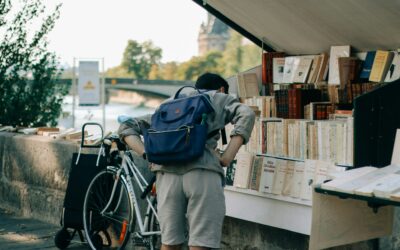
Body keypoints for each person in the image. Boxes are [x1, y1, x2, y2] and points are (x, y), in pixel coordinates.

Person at [118, 72, 255, 250]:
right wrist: (227, 156)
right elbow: (247, 114)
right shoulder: (218, 97)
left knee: (169, 243)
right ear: (222, 89)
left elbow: (126, 127)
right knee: (200, 244)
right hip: (202, 173)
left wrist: (148, 154)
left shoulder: (168, 104)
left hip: (166, 178)